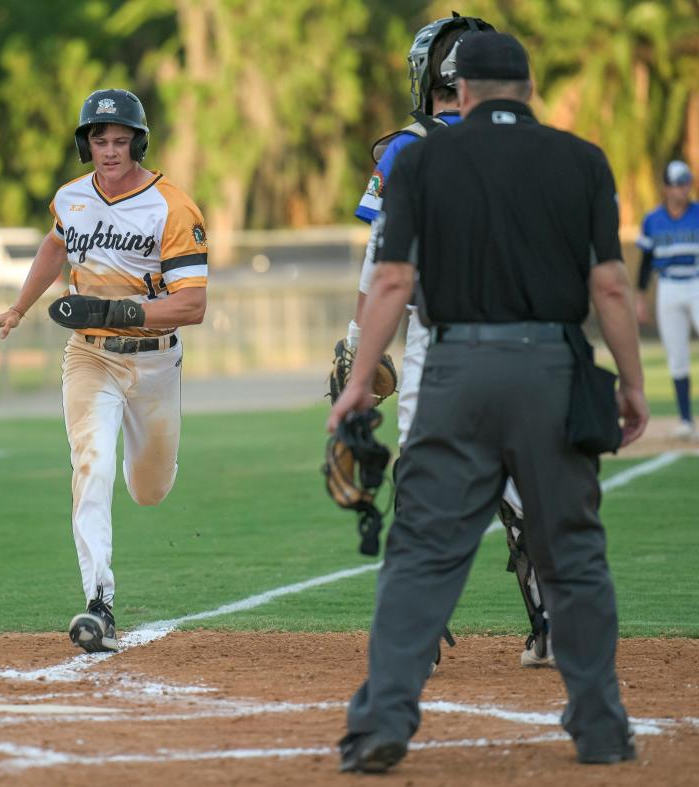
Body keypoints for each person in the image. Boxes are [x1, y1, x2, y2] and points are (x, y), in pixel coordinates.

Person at [329, 32, 648, 773]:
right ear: (528, 89)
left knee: (423, 552)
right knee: (571, 551)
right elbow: (609, 287)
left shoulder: (421, 158)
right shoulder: (582, 160)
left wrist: (355, 380)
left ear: (460, 92)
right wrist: (632, 383)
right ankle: (599, 724)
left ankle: (382, 721)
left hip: (455, 369)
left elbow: (392, 282)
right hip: (553, 369)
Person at [342, 13, 555, 669]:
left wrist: (358, 351)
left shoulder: (408, 147)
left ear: (431, 74)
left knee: (427, 477)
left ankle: (418, 629)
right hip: (528, 337)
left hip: (441, 337)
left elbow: (383, 268)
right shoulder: (534, 142)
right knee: (525, 481)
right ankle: (553, 622)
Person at [0, 89, 207, 654]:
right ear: (87, 144)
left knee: (149, 489)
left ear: (137, 142)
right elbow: (55, 247)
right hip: (90, 356)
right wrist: (18, 308)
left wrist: (119, 310)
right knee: (93, 465)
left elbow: (193, 304)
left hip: (154, 361)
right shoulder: (72, 198)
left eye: (120, 140)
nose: (109, 151)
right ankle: (99, 603)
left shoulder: (172, 208)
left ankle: (146, 480)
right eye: (99, 140)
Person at [635, 160, 699, 440]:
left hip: (696, 281)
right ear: (666, 187)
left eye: (686, 183)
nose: (683, 189)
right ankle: (685, 419)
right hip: (669, 285)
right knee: (676, 354)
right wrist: (639, 296)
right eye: (677, 184)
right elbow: (646, 261)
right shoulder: (653, 220)